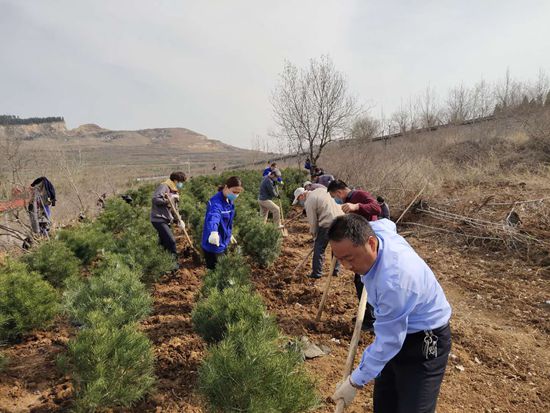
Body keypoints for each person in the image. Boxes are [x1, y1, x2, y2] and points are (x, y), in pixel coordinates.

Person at [329, 214, 452, 413]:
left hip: (425, 339)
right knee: (385, 404)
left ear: (370, 243)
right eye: (340, 259)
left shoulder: (394, 282)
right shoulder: (378, 231)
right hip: (396, 329)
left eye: (349, 258)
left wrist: (354, 382)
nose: (346, 267)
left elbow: (389, 341)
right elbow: (388, 223)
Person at [327, 179, 382, 331]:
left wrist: (356, 206)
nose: (336, 200)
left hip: (368, 246)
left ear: (339, 192)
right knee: (360, 281)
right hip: (359, 244)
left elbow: (377, 208)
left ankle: (370, 320)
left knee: (364, 282)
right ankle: (366, 314)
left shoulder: (359, 195)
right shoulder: (348, 201)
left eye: (334, 196)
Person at [293, 187, 343, 279]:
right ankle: (335, 270)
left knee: (319, 248)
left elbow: (313, 222)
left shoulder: (309, 201)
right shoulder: (321, 190)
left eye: (298, 199)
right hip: (341, 220)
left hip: (328, 223)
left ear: (302, 195)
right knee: (336, 246)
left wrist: (314, 234)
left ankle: (317, 273)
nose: (300, 202)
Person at [201, 176, 243, 270]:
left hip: (223, 242)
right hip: (213, 244)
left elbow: (226, 221)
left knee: (222, 269)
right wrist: (213, 232)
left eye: (238, 193)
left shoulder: (229, 200)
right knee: (215, 272)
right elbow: (214, 217)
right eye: (234, 191)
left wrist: (229, 234)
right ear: (226, 187)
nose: (235, 194)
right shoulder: (216, 202)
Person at [150, 171, 187, 270]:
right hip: (158, 219)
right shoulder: (164, 187)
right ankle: (174, 265)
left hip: (166, 219)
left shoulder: (174, 190)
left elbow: (174, 209)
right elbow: (155, 199)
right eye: (181, 182)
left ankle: (160, 263)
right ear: (175, 180)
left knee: (163, 243)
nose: (181, 184)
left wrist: (179, 220)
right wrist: (169, 199)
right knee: (171, 241)